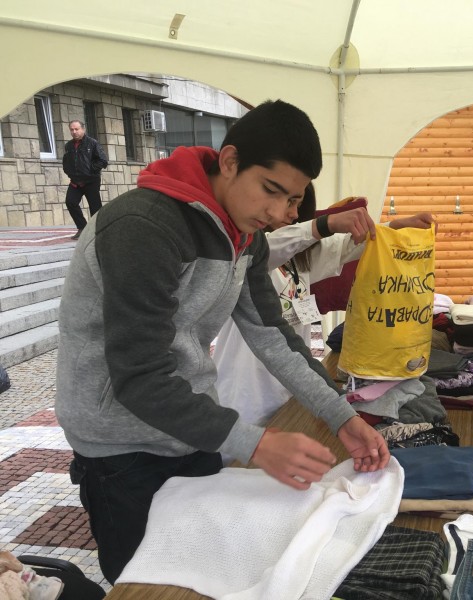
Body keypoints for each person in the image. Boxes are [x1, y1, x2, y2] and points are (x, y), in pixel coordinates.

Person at [54, 100, 390, 584]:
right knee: (148, 585)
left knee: (212, 571)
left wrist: (343, 416)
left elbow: (271, 334)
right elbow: (140, 377)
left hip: (194, 431)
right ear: (229, 162)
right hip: (120, 448)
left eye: (293, 199)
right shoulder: (142, 227)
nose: (277, 213)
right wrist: (255, 444)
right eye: (270, 190)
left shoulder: (244, 236)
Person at [213, 183, 435, 436]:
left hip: (287, 391)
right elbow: (268, 248)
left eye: (299, 206)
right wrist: (322, 225)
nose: (294, 214)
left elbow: (346, 247)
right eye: (289, 203)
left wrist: (394, 228)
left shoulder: (300, 261)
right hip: (243, 398)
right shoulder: (244, 255)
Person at [61, 120, 108, 240]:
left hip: (91, 180)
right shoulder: (68, 146)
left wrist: (90, 170)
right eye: (72, 129)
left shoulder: (92, 143)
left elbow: (103, 161)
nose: (74, 132)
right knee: (70, 202)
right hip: (75, 181)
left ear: (83, 129)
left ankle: (98, 231)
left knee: (95, 207)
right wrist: (69, 172)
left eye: (76, 129)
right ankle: (82, 228)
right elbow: (66, 162)